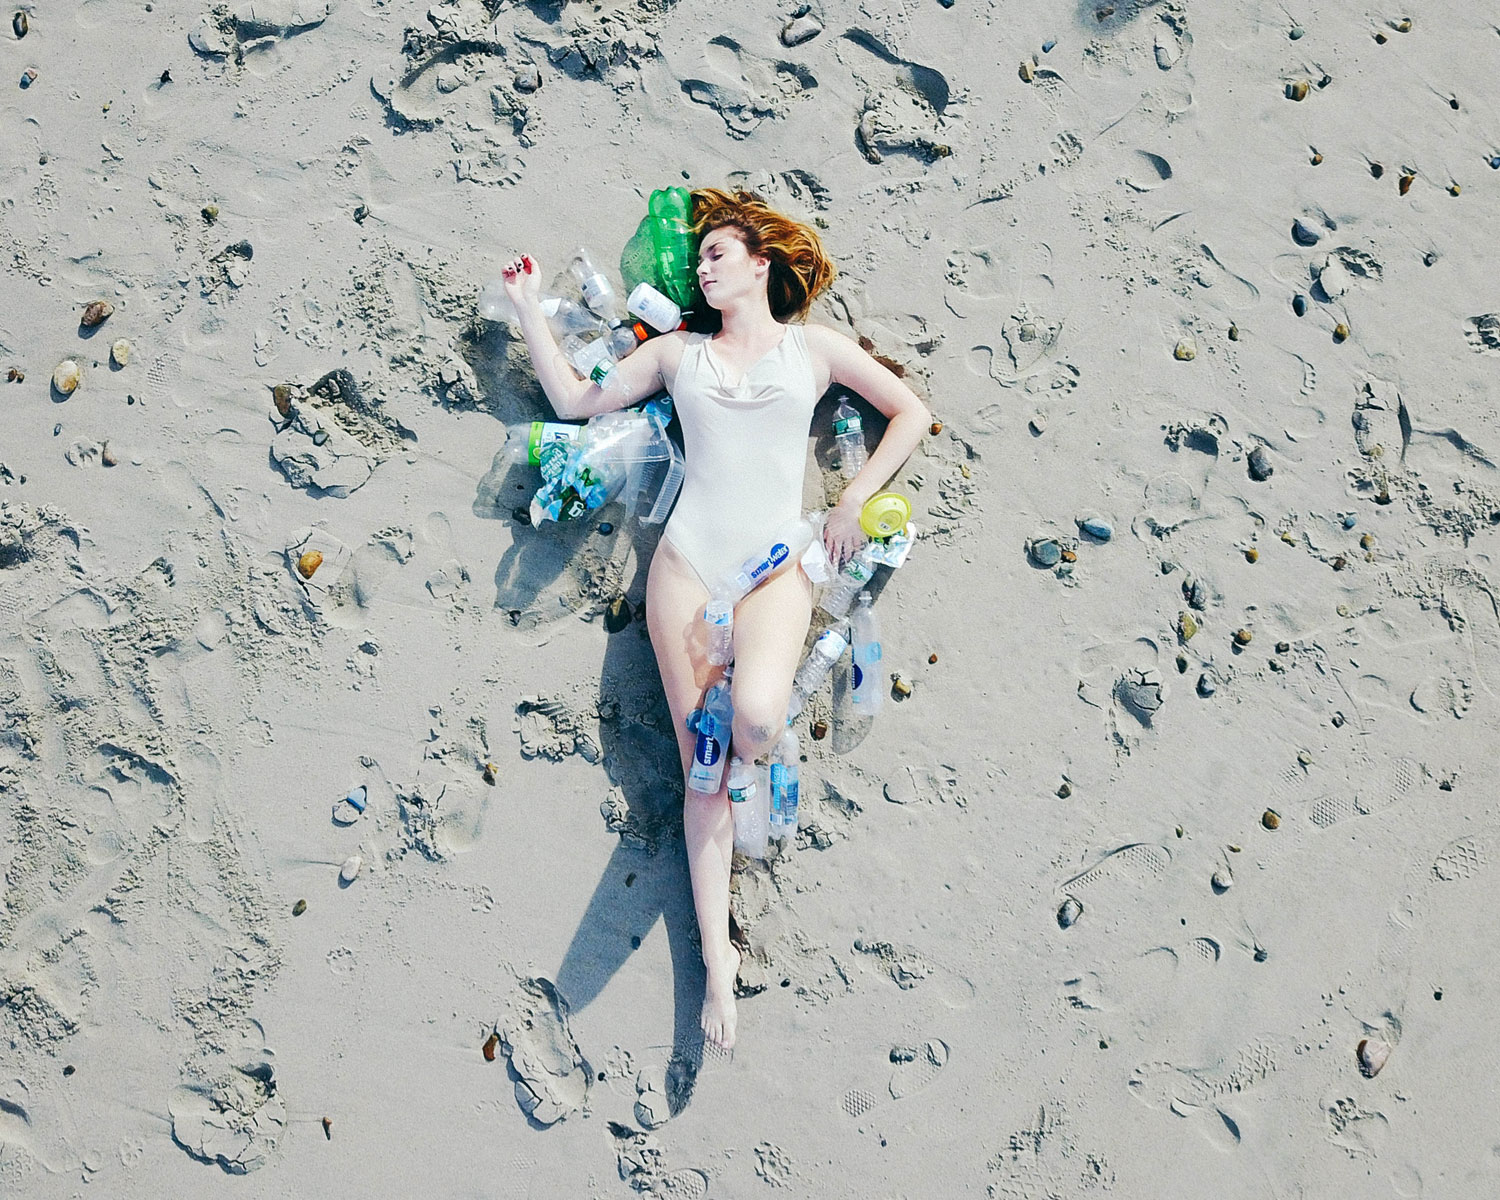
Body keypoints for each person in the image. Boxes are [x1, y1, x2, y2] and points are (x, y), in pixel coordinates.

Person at [500, 188, 931, 1049]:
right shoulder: (675, 354)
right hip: (688, 567)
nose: (703, 265)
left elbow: (910, 412)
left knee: (760, 723)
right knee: (703, 764)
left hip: (775, 569)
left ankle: (750, 775)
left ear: (761, 265)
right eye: (698, 258)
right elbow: (579, 402)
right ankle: (717, 965)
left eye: (719, 254)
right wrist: (527, 309)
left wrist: (853, 499)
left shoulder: (813, 349)